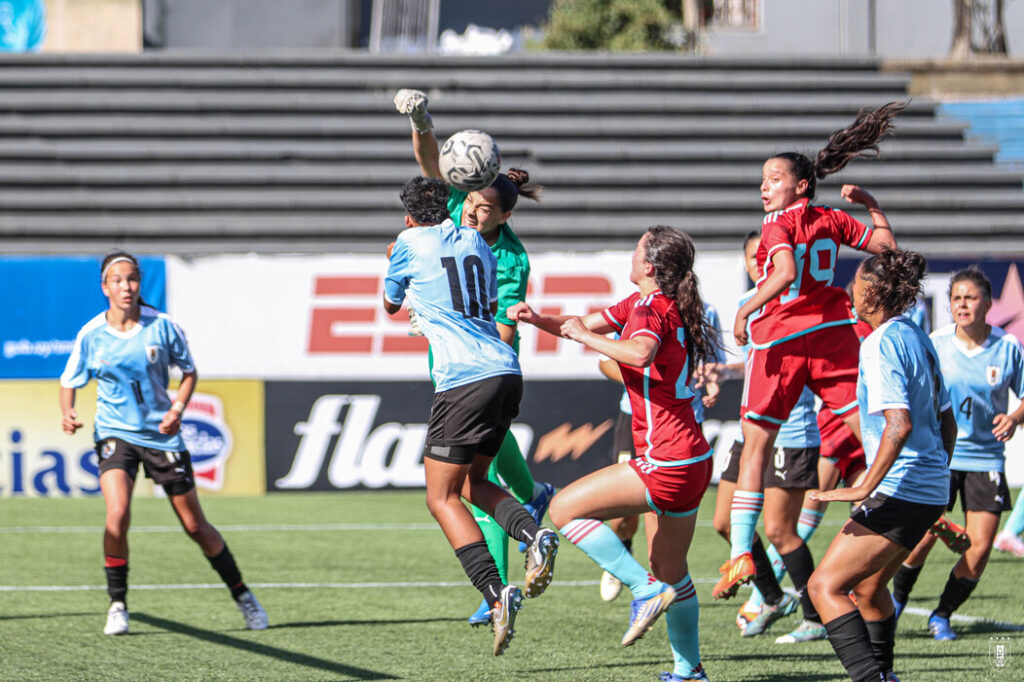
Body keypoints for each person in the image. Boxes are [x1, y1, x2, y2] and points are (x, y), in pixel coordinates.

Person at [510, 225, 717, 681]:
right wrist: (537, 319)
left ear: (650, 266)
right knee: (672, 571)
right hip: (693, 457)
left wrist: (586, 338)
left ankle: (642, 589)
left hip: (667, 458)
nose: (631, 254)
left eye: (637, 249)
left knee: (563, 509)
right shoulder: (655, 302)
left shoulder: (648, 308)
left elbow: (640, 354)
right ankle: (689, 671)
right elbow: (579, 324)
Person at [715, 102, 904, 600]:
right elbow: (887, 250)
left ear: (800, 186)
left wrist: (745, 309)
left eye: (774, 178)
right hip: (832, 335)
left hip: (780, 339)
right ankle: (903, 496)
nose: (764, 186)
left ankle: (740, 552)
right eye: (762, 179)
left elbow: (782, 273)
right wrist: (871, 202)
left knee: (755, 444)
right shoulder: (832, 218)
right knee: (865, 426)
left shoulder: (778, 223)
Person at [394, 88, 556, 626]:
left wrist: (425, 302)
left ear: (505, 215)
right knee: (478, 484)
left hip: (475, 374)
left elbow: (502, 327)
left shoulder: (507, 256)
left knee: (454, 491)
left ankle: (498, 583)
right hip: (476, 374)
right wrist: (422, 121)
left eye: (485, 208)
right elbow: (430, 166)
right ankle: (533, 524)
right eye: (471, 202)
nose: (472, 210)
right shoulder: (461, 222)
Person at [59, 253, 267, 636]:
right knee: (117, 513)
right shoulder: (92, 334)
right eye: (117, 280)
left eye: (132, 279)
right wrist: (68, 412)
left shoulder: (163, 326)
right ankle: (117, 605)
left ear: (139, 283)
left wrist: (177, 409)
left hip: (161, 435)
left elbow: (188, 373)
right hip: (115, 433)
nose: (126, 287)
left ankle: (243, 596)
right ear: (105, 287)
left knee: (194, 525)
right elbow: (69, 380)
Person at [806, 249, 956, 682]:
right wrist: (936, 475)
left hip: (901, 488)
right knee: (869, 590)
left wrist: (862, 486)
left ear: (871, 292)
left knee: (823, 586)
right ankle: (885, 674)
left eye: (855, 283)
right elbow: (947, 419)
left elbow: (899, 423)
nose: (850, 291)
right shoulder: (915, 334)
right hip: (927, 489)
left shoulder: (879, 343)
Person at [888, 267, 1024, 641]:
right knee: (921, 538)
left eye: (971, 297)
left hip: (986, 460)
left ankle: (942, 615)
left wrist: (1013, 418)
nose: (962, 304)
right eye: (956, 298)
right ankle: (895, 604)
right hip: (940, 456)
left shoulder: (1008, 347)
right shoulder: (935, 343)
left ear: (989, 304)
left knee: (978, 550)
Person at [712, 231, 821, 642]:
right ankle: (774, 598)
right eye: (753, 258)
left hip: (790, 434)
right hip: (752, 431)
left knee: (779, 530)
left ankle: (815, 617)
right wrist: (722, 372)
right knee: (724, 522)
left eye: (767, 257)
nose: (761, 263)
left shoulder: (800, 305)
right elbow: (756, 363)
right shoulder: (746, 305)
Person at [597, 304, 723, 604]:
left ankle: (659, 589)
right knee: (623, 516)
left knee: (664, 517)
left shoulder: (704, 311)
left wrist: (713, 381)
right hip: (637, 420)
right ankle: (623, 555)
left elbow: (714, 364)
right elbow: (605, 362)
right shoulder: (637, 308)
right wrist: (646, 379)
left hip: (683, 425)